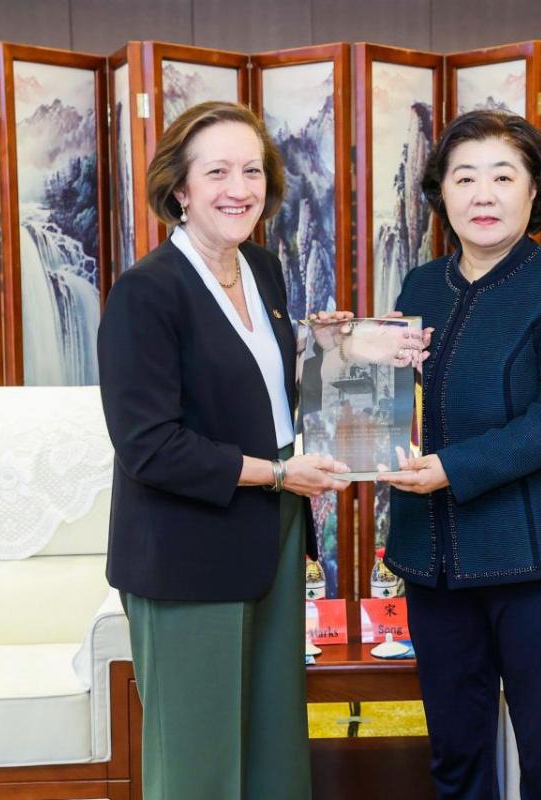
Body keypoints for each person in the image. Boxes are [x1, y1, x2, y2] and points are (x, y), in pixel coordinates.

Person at [97, 100, 351, 800]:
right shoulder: (146, 294)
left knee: (273, 749)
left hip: (271, 532)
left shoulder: (261, 268)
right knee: (198, 765)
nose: (238, 188)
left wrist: (356, 350)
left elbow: (260, 388)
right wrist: (277, 474)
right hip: (187, 548)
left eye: (251, 171)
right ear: (180, 187)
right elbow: (149, 447)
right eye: (216, 171)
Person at [378, 109, 541, 800]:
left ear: (534, 192)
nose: (483, 194)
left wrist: (455, 468)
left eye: (503, 176)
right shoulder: (421, 287)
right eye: (464, 177)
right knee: (455, 760)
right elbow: (402, 400)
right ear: (442, 194)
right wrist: (352, 355)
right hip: (438, 565)